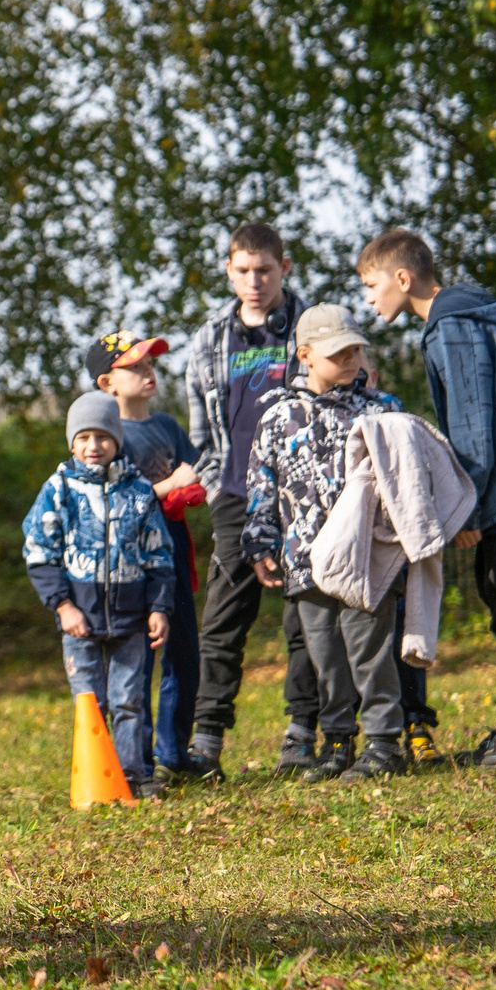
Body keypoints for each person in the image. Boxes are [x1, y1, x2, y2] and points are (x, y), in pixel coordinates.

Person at [357, 230, 496, 772]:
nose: (368, 298)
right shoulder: (454, 322)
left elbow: (473, 426)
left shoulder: (453, 327)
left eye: (371, 284)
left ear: (403, 278)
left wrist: (467, 509)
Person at [181, 222, 327, 780]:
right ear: (228, 271)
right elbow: (201, 435)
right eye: (242, 271)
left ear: (283, 268)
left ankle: (301, 736)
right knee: (223, 621)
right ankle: (206, 742)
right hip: (237, 498)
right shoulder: (209, 337)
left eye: (264, 270)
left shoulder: (308, 327)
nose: (254, 281)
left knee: (304, 618)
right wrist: (218, 490)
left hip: (300, 496)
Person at [242, 305, 409, 783]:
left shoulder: (381, 410)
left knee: (370, 650)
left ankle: (383, 743)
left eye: (357, 349)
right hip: (304, 561)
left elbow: (405, 482)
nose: (352, 359)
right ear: (306, 355)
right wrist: (261, 544)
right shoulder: (277, 416)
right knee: (326, 656)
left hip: (366, 559)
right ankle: (337, 743)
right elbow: (262, 487)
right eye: (340, 352)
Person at [23, 393, 175, 796]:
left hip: (132, 617)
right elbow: (39, 552)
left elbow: (160, 554)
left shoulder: (139, 491)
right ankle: (94, 779)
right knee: (90, 701)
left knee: (129, 700)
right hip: (81, 621)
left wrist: (160, 607)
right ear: (72, 442)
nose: (94, 446)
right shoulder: (59, 490)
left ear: (117, 440)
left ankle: (134, 776)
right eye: (85, 437)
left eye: (104, 436)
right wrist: (62, 605)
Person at [85, 333, 203, 777]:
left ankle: (174, 755)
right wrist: (168, 487)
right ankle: (139, 761)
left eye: (149, 363)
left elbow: (191, 472)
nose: (147, 371)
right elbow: (111, 502)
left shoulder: (167, 426)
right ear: (107, 382)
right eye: (133, 366)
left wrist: (189, 490)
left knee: (185, 659)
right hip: (129, 569)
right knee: (137, 665)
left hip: (172, 558)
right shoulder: (102, 438)